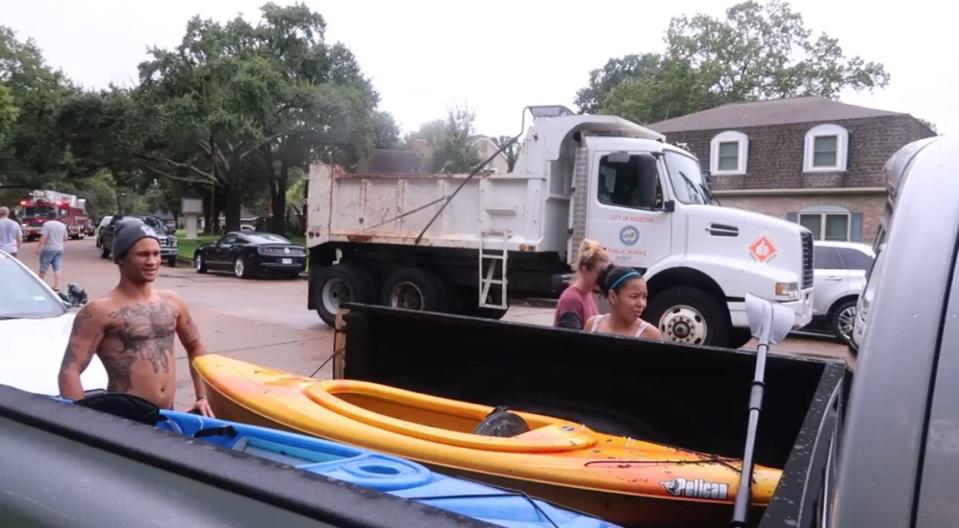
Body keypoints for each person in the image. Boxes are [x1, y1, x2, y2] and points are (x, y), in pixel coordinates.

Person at [58, 218, 214, 416]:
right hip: (125, 419)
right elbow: (69, 371)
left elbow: (196, 347)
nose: (152, 261)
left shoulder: (172, 302)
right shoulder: (99, 310)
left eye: (156, 254)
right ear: (121, 259)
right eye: (143, 255)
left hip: (168, 414)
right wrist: (82, 424)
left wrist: (203, 397)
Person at [585, 265, 664, 341]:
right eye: (634, 296)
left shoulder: (650, 335)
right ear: (612, 297)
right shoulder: (593, 325)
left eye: (644, 297)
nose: (641, 304)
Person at [554, 239, 610, 329]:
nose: (603, 277)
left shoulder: (590, 294)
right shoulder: (572, 299)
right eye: (598, 272)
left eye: (605, 272)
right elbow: (568, 338)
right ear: (584, 270)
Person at [36, 210, 68, 291]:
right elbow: (65, 238)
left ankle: (39, 284)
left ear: (48, 217)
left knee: (43, 267)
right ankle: (57, 285)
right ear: (56, 217)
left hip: (48, 249)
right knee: (57, 268)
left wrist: (39, 248)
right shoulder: (62, 225)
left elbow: (44, 237)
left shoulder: (47, 225)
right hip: (59, 249)